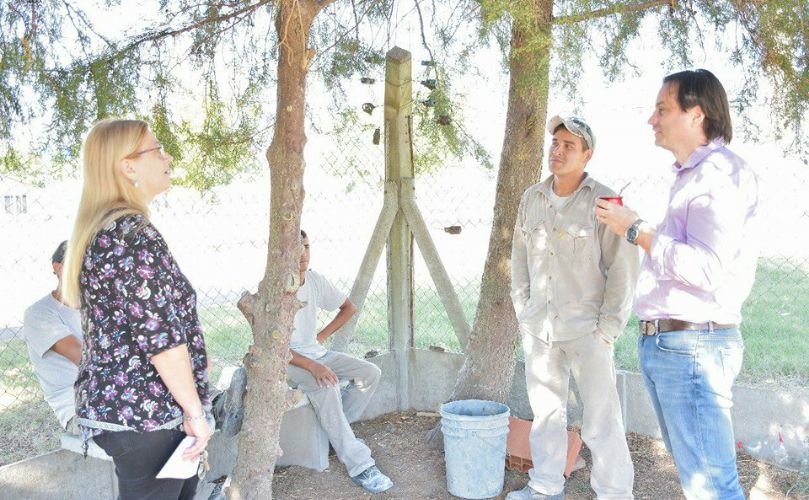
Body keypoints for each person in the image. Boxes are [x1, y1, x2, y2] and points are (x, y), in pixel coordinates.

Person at [596, 69, 759, 500]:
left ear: (696, 114)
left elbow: (707, 269)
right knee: (699, 480)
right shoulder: (692, 175)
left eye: (662, 109)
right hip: (676, 346)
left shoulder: (717, 176)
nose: (652, 119)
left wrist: (638, 231)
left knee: (711, 486)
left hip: (693, 347)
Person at [61, 119, 211, 499]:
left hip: (136, 415)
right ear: (128, 167)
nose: (167, 156)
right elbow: (162, 340)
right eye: (157, 149)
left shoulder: (109, 232)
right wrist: (194, 413)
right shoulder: (132, 236)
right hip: (148, 416)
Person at [507, 116, 638, 500]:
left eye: (568, 145)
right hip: (540, 329)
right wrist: (522, 307)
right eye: (555, 143)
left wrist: (607, 328)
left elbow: (623, 269)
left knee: (601, 420)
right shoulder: (532, 197)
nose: (558, 151)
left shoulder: (605, 202)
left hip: (587, 332)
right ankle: (546, 487)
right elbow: (518, 258)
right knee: (546, 415)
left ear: (587, 155)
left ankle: (615, 493)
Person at [287, 229, 393, 494]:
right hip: (288, 362)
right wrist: (313, 366)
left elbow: (349, 308)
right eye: (296, 248)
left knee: (369, 373)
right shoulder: (276, 289)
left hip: (316, 353)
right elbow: (275, 350)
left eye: (307, 247)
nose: (303, 254)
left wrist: (321, 336)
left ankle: (338, 434)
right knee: (328, 385)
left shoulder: (314, 281)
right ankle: (360, 465)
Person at [22, 240, 82, 434]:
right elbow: (85, 358)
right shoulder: (40, 313)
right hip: (79, 406)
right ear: (59, 268)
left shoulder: (101, 308)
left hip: (118, 395)